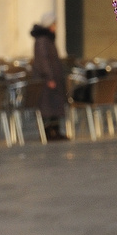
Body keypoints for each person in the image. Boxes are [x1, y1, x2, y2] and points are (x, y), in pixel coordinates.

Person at [29, 12, 67, 141]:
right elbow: (44, 60)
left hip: (54, 77)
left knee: (55, 106)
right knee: (48, 107)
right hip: (46, 80)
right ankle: (48, 132)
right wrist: (49, 77)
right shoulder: (42, 40)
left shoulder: (48, 39)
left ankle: (55, 130)